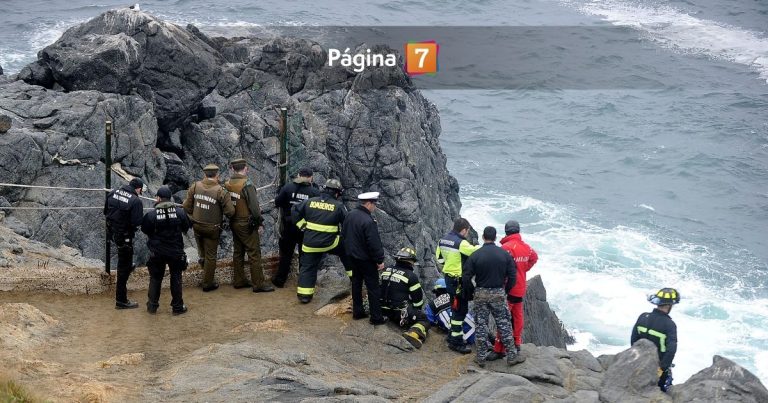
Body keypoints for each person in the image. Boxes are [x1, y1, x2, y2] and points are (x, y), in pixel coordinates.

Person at [462, 226, 521, 367]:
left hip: (481, 294)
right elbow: (513, 275)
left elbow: (466, 277)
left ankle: (481, 358)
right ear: (495, 237)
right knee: (504, 324)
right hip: (498, 293)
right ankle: (512, 356)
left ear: (483, 237)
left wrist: (471, 292)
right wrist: (505, 290)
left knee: (481, 326)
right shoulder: (504, 255)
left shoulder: (476, 255)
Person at [292, 179, 350, 303]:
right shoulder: (339, 206)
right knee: (347, 249)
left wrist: (302, 226)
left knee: (307, 268)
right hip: (330, 243)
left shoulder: (310, 202)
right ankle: (354, 277)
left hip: (309, 244)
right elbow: (348, 224)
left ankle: (304, 296)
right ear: (336, 193)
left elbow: (294, 211)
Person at [488, 219, 539, 360]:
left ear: (506, 231)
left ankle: (499, 349)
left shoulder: (506, 248)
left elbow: (499, 268)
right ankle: (517, 342)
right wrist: (524, 269)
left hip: (508, 288)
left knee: (503, 319)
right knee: (517, 317)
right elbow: (534, 257)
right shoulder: (526, 247)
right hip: (520, 287)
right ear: (518, 231)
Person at [182, 164, 235, 292]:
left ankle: (205, 276)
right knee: (211, 256)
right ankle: (207, 283)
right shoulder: (221, 191)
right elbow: (230, 212)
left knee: (202, 253)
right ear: (217, 175)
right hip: (212, 228)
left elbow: (186, 206)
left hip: (197, 226)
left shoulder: (195, 186)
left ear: (205, 174)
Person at [224, 158, 274, 293]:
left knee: (238, 252)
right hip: (246, 223)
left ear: (233, 169)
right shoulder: (247, 184)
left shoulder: (228, 183)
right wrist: (259, 223)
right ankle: (258, 283)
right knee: (254, 253)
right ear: (245, 168)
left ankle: (239, 280)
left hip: (234, 221)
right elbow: (255, 209)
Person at [141, 186, 191, 315]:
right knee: (176, 277)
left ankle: (152, 307)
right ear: (170, 198)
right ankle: (177, 307)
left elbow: (145, 229)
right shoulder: (180, 212)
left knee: (156, 278)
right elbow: (187, 226)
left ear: (158, 198)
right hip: (175, 251)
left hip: (157, 252)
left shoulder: (151, 215)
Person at [435, 218, 480, 353]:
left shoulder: (442, 240)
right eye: (467, 231)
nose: (467, 234)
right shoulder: (461, 243)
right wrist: (479, 246)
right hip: (459, 281)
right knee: (460, 311)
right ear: (464, 230)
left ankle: (451, 336)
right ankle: (456, 342)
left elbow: (439, 258)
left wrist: (449, 265)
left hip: (448, 278)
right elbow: (475, 252)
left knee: (455, 307)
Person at [342, 191, 387, 326]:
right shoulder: (368, 221)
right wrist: (379, 260)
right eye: (374, 204)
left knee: (356, 283)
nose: (375, 207)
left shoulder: (350, 215)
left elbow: (344, 234)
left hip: (352, 257)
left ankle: (358, 312)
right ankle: (376, 317)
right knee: (373, 288)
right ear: (368, 203)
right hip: (366, 260)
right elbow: (374, 244)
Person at [272, 167, 320, 288]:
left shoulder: (288, 187)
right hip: (305, 227)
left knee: (286, 254)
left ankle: (280, 280)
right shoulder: (314, 192)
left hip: (289, 225)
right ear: (311, 177)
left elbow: (278, 203)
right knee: (304, 256)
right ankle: (303, 282)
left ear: (298, 175)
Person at [104, 177, 145, 309]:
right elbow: (136, 222)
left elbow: (106, 212)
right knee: (122, 270)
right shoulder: (135, 201)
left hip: (113, 233)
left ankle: (128, 266)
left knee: (125, 262)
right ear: (138, 189)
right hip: (125, 237)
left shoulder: (112, 192)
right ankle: (121, 301)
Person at [631, 287, 680, 393]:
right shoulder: (670, 325)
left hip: (638, 363)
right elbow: (671, 350)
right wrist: (662, 369)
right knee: (662, 391)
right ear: (669, 305)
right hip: (657, 368)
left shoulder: (643, 317)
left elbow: (633, 341)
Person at [380, 247, 430, 348]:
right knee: (424, 319)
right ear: (410, 261)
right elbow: (418, 301)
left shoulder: (386, 270)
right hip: (398, 313)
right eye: (412, 261)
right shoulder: (411, 276)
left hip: (382, 310)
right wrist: (415, 312)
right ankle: (413, 334)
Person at [425, 278, 476, 345]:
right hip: (474, 328)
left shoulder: (431, 305)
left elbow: (430, 320)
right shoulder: (456, 297)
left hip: (458, 335)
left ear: (436, 291)